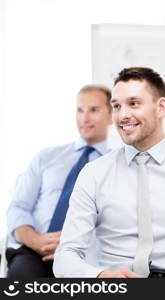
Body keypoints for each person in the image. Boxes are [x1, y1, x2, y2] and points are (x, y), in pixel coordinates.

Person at [53, 67, 165, 278]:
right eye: (116, 106)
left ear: (160, 107)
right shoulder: (93, 174)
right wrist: (102, 277)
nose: (123, 115)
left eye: (134, 104)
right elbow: (66, 257)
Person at [6, 84, 113, 278]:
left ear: (111, 115)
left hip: (87, 258)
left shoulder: (117, 166)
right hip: (34, 253)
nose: (84, 118)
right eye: (79, 110)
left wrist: (71, 249)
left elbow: (117, 223)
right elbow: (18, 207)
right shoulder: (46, 157)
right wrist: (36, 241)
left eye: (94, 110)